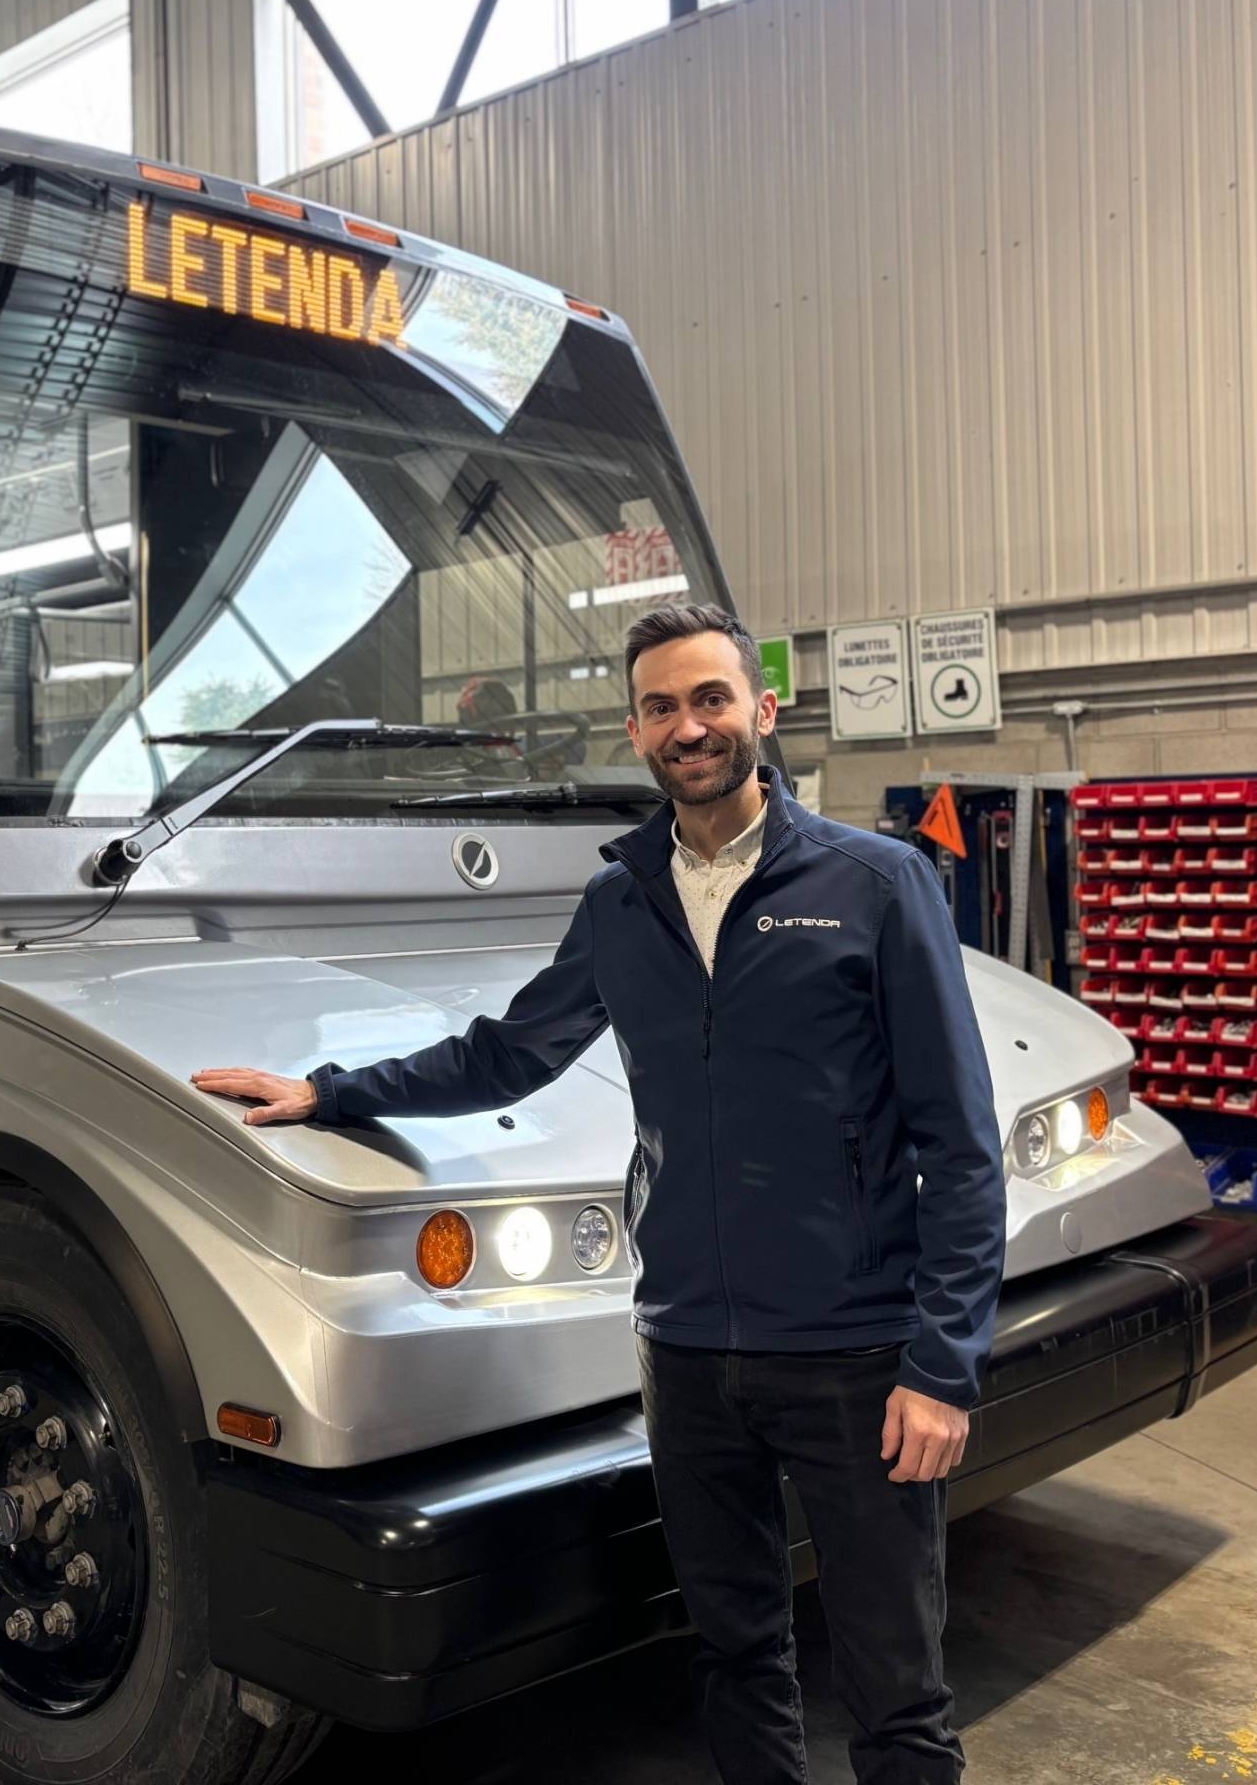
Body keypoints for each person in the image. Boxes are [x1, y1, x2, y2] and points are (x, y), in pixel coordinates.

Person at [193, 602, 1004, 1784]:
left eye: (712, 698)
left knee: (894, 1688)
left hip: (850, 1354)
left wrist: (940, 1367)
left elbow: (959, 1140)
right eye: (664, 706)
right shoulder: (624, 899)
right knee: (734, 1654)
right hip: (686, 1357)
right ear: (636, 731)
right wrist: (328, 1092)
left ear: (761, 712)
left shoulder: (874, 885)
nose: (691, 726)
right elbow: (506, 1053)